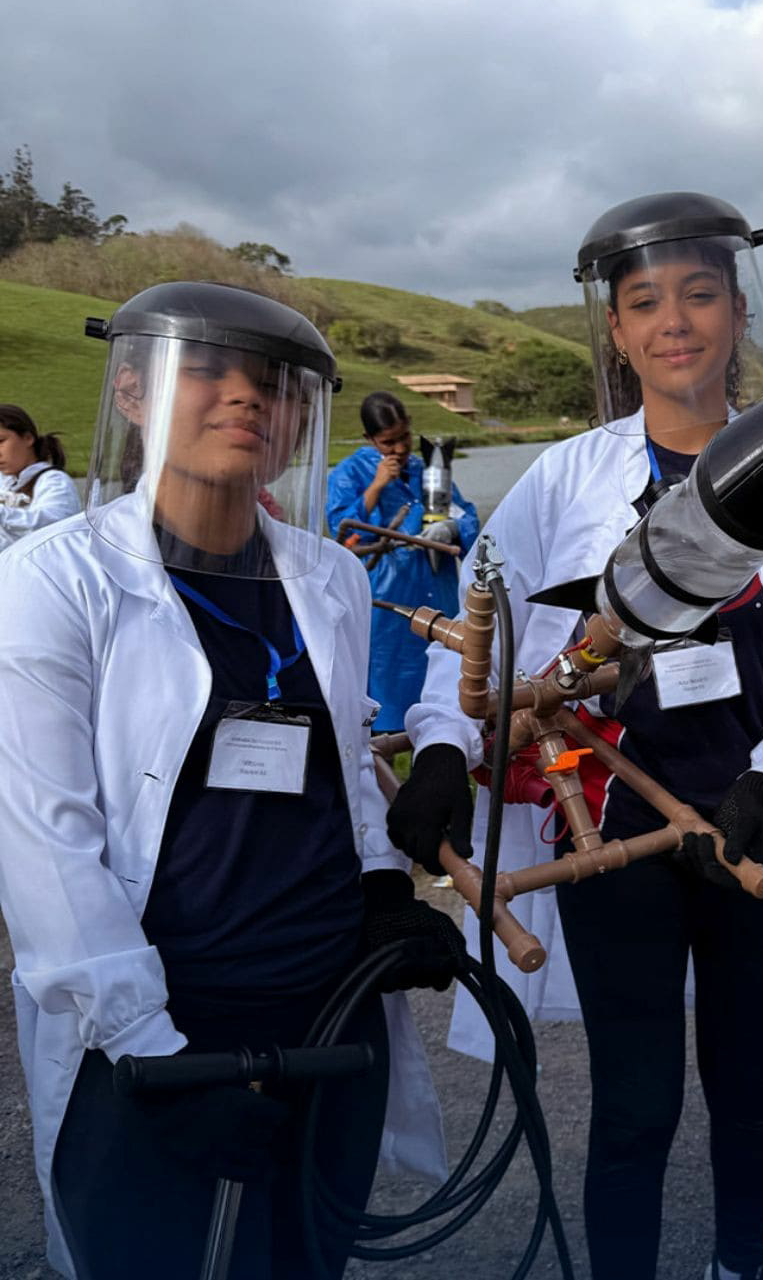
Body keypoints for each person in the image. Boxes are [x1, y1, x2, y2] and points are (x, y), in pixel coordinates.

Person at [388, 192, 763, 1280]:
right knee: (634, 1102)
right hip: (610, 829)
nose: (677, 321)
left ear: (738, 311)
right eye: (647, 301)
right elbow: (482, 635)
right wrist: (440, 747)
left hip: (762, 833)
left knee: (753, 1088)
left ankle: (739, 1264)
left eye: (701, 294)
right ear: (616, 330)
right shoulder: (565, 480)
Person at [0, 282, 460, 1280]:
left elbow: (341, 753)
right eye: (208, 369)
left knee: (305, 1258)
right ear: (132, 391)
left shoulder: (328, 575)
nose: (246, 397)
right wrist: (151, 1057)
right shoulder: (53, 581)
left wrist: (383, 887)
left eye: (274, 383)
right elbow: (45, 845)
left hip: (328, 1014)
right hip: (169, 1022)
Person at [327, 391, 479, 732]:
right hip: (387, 602)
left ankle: (441, 746)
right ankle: (382, 756)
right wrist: (377, 487)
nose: (399, 449)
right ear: (369, 439)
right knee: (387, 686)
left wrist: (453, 527)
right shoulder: (348, 473)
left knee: (441, 676)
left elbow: (467, 516)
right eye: (388, 442)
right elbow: (343, 531)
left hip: (436, 590)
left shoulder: (430, 469)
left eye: (404, 438)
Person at [0, 404, 82, 550]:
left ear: (28, 438)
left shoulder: (54, 481)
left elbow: (53, 529)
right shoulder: (6, 480)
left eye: (1, 441)